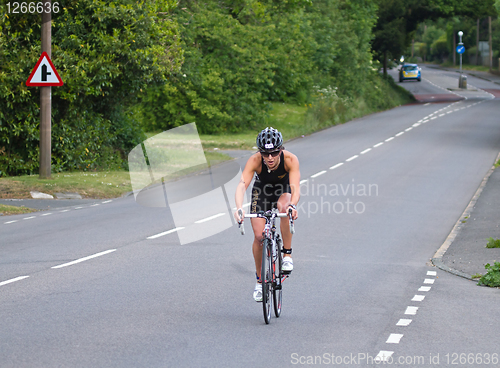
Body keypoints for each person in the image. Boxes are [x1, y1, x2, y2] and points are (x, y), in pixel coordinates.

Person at [234, 127, 300, 302]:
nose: (270, 158)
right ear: (260, 152)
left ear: (281, 149)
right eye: (265, 153)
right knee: (259, 236)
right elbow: (242, 185)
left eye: (274, 153)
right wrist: (239, 207)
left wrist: (293, 205)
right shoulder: (255, 161)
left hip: (283, 190)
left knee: (284, 208)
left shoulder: (291, 160)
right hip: (261, 191)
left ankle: (286, 254)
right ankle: (259, 281)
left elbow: (295, 188)